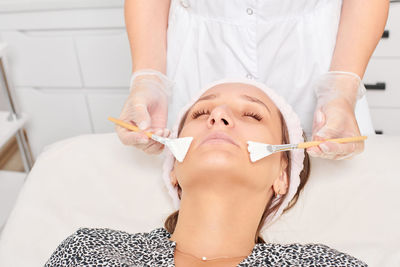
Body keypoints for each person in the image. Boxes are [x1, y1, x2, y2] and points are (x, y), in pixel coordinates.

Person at [45, 79, 367, 266]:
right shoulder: (91, 250)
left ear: (282, 174)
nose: (219, 116)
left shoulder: (324, 265)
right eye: (201, 113)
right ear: (173, 169)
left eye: (253, 115)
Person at [116, 0, 389, 160]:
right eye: (202, 113)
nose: (219, 117)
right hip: (194, 57)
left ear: (283, 182)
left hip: (316, 58)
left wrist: (340, 89)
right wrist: (148, 78)